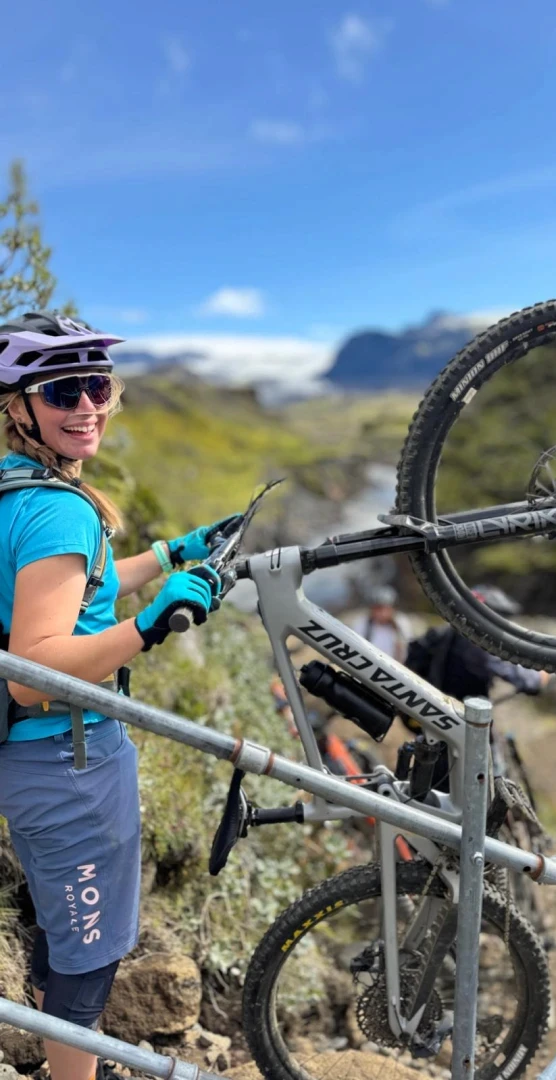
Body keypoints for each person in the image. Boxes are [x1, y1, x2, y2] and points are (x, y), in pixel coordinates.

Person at [0, 313, 241, 1080]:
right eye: (62, 390)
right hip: (67, 765)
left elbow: (78, 591)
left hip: (40, 760)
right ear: (18, 406)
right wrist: (153, 624)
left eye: (98, 385)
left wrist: (172, 554)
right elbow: (33, 669)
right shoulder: (57, 509)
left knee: (64, 938)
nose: (87, 405)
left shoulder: (23, 490)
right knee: (87, 963)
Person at [406, 584, 552, 701]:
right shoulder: (478, 645)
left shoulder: (448, 633)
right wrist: (543, 676)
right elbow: (524, 679)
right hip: (461, 721)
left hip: (436, 713)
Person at [349, 584, 412, 663]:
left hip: (395, 667)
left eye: (385, 608)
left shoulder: (401, 622)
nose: (382, 613)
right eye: (378, 608)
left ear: (392, 608)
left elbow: (407, 650)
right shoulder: (362, 623)